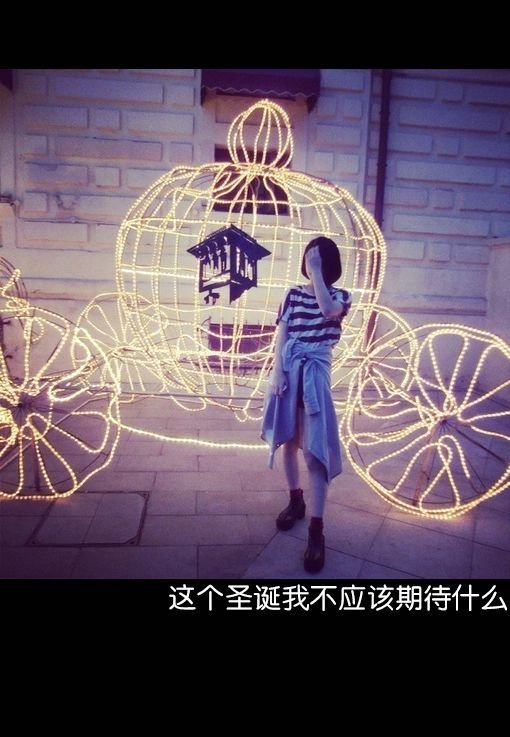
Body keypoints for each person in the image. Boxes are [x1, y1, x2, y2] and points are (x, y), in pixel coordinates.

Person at [261, 236, 352, 573]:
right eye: (310, 259)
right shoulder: (292, 294)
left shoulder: (341, 297)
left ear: (328, 265)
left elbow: (328, 311)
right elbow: (282, 334)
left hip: (315, 375)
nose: (312, 264)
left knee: (315, 453)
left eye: (317, 260)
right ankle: (295, 499)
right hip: (290, 371)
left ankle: (316, 529)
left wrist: (316, 273)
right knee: (289, 441)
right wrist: (277, 373)